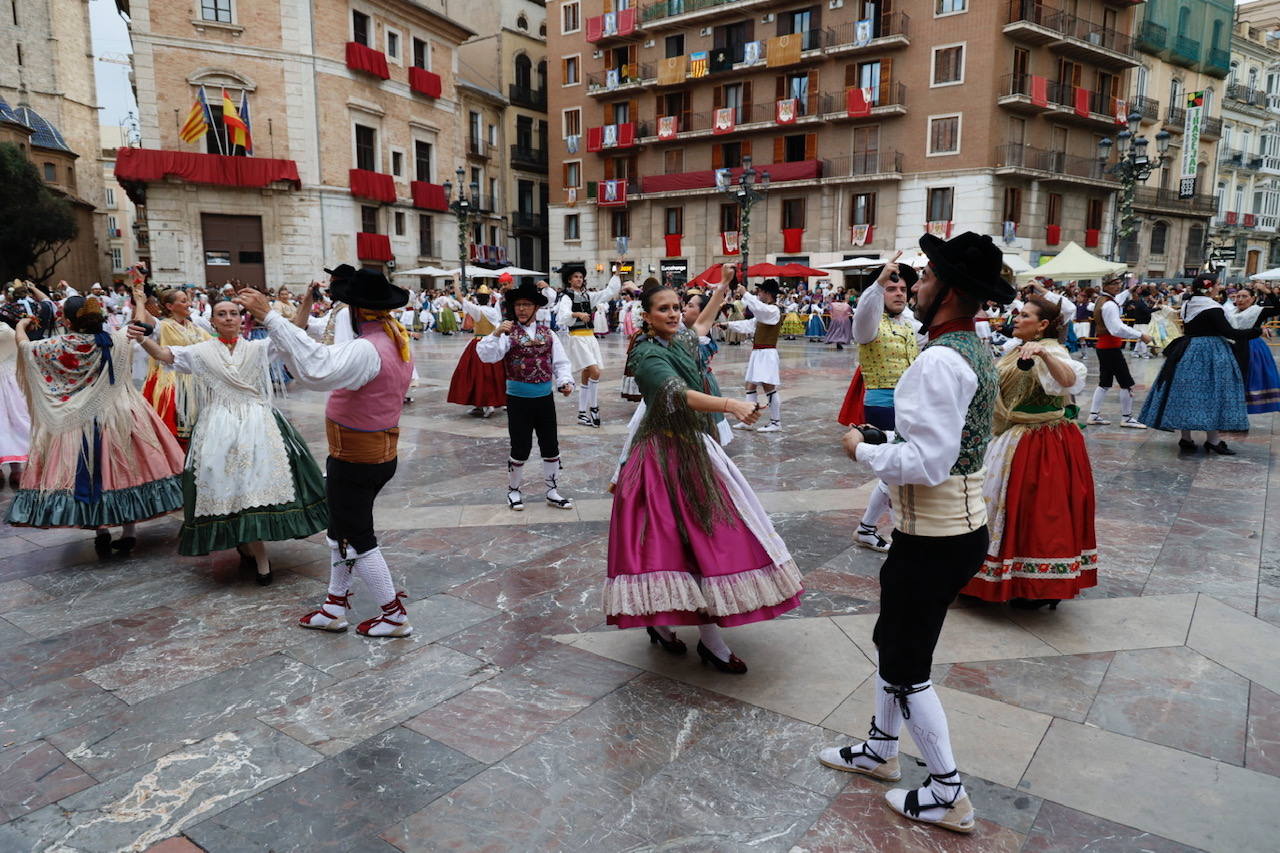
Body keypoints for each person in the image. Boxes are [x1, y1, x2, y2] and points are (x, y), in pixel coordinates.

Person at [818, 232, 1014, 835]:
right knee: (892, 640)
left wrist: (860, 449)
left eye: (926, 278)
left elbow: (928, 462)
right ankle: (880, 749)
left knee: (907, 662)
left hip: (934, 535)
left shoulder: (938, 359)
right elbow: (944, 445)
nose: (917, 285)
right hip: (947, 527)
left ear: (949, 290)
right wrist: (883, 440)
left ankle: (948, 791)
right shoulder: (971, 348)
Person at [604, 280, 802, 674]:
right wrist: (731, 404)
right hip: (661, 456)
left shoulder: (680, 339)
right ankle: (677, 630)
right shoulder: (644, 354)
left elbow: (700, 329)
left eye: (676, 306)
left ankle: (695, 635)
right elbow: (677, 393)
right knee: (671, 546)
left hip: (694, 449)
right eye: (663, 309)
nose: (674, 313)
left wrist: (720, 291)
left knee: (708, 540)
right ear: (645, 316)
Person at [236, 270, 416, 637]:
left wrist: (270, 317)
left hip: (357, 457)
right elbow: (322, 358)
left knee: (359, 537)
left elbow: (317, 368)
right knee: (340, 532)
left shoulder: (369, 348)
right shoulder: (390, 338)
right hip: (367, 452)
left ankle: (394, 615)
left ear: (357, 310)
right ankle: (334, 607)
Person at [129, 299, 327, 584]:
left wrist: (307, 300)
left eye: (233, 313)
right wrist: (143, 339)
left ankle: (259, 556)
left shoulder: (257, 347)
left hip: (258, 422)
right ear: (213, 321)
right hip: (218, 424)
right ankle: (248, 545)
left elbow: (294, 328)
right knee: (227, 484)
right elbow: (164, 355)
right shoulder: (200, 351)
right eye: (221, 314)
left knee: (254, 485)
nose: (229, 318)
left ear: (241, 319)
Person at [5, 295, 184, 555]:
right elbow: (135, 323)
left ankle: (100, 530)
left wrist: (22, 326)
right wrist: (139, 299)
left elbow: (24, 348)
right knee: (125, 470)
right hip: (122, 413)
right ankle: (129, 531)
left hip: (80, 419)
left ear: (66, 321)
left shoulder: (58, 346)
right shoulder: (114, 338)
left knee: (93, 472)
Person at [959, 295, 1095, 608]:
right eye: (1017, 314)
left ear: (1043, 325)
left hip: (1040, 442)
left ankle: (1036, 585)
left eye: (1025, 316)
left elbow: (1072, 381)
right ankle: (998, 577)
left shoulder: (1053, 351)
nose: (1017, 319)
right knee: (1001, 507)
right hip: (1010, 436)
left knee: (1037, 511)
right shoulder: (1013, 349)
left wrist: (1045, 357)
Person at [838, 265, 921, 552]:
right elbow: (864, 314)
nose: (899, 293)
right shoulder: (869, 326)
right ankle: (873, 528)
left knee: (898, 470)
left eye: (903, 289)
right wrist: (877, 283)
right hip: (884, 404)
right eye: (891, 288)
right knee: (896, 469)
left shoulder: (906, 323)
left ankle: (870, 528)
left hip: (909, 405)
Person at [476, 280, 576, 511]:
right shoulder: (507, 333)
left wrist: (565, 382)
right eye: (518, 305)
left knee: (550, 445)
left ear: (535, 308)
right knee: (520, 446)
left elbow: (560, 362)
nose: (521, 309)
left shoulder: (548, 333)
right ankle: (513, 491)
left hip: (544, 399)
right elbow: (486, 356)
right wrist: (494, 333)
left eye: (527, 305)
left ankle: (552, 491)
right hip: (518, 400)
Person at [1138, 275, 1259, 455]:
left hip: (1188, 349)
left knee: (1186, 391)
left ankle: (1186, 439)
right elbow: (1230, 332)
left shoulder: (1189, 304)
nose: (1220, 287)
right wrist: (1257, 331)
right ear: (1209, 288)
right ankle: (1213, 440)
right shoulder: (1213, 308)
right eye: (1217, 284)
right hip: (1211, 350)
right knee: (1214, 391)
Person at [136, 286, 211, 449]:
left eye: (188, 300)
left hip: (197, 384)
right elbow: (140, 323)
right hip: (173, 385)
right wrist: (139, 300)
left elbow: (213, 346)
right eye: (184, 301)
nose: (189, 304)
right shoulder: (162, 326)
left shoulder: (196, 327)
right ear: (170, 306)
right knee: (177, 434)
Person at [555, 265, 621, 427]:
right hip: (577, 338)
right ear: (569, 280)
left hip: (590, 337)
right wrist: (576, 314)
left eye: (580, 276)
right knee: (595, 371)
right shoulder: (566, 297)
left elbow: (608, 292)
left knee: (587, 373)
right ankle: (594, 407)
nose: (579, 279)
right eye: (575, 277)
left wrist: (617, 273)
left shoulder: (587, 295)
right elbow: (561, 317)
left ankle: (582, 413)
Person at [1086, 276, 1151, 428]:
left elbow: (1118, 300)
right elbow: (1117, 328)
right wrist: (1140, 335)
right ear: (1106, 286)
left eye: (1119, 284)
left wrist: (1129, 291)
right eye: (1114, 284)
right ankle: (1126, 417)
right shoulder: (1109, 304)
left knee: (1104, 383)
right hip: (1110, 348)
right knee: (1126, 383)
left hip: (1104, 347)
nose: (1117, 286)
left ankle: (1093, 415)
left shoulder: (1102, 300)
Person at [723, 279, 785, 432]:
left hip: (766, 353)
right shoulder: (764, 312)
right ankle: (747, 420)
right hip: (759, 352)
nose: (758, 295)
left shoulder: (773, 311)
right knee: (750, 386)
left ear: (767, 294)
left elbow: (758, 308)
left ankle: (776, 422)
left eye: (760, 292)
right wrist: (729, 325)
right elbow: (749, 324)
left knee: (768, 387)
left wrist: (745, 294)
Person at [446, 281, 507, 418]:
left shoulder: (477, 310)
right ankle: (483, 404)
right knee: (494, 374)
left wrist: (455, 280)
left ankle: (486, 404)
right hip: (493, 342)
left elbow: (459, 297)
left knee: (476, 374)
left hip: (480, 344)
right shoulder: (494, 310)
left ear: (478, 299)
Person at [1225, 286, 1280, 415]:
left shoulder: (1257, 311)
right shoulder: (1231, 313)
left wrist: (1268, 292)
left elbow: (1278, 309)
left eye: (1244, 296)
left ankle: (1244, 409)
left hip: (1251, 347)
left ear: (1253, 299)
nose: (1240, 299)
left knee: (1251, 377)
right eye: (1238, 296)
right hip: (1233, 345)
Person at [0, 305, 31, 488]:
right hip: (13, 381)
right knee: (14, 421)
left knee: (6, 423)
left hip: (10, 380)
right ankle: (16, 470)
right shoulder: (11, 331)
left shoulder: (6, 332)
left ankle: (13, 470)